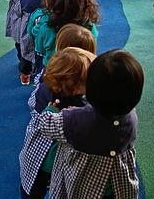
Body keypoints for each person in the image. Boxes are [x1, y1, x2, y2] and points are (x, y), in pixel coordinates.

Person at [36, 50, 144, 199]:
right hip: (117, 187)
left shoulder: (75, 119)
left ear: (90, 90)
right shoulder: (131, 117)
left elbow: (45, 125)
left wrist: (51, 110)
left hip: (83, 187)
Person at [19, 47, 96, 199]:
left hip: (37, 156)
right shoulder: (81, 108)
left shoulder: (45, 89)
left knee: (31, 188)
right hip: (54, 162)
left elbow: (32, 103)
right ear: (75, 85)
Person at [29, 0, 100, 68]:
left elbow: (39, 49)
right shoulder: (89, 27)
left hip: (54, 69)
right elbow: (91, 50)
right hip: (81, 69)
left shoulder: (46, 26)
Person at [2, 0, 36, 83]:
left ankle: (24, 65)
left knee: (19, 42)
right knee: (32, 41)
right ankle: (32, 63)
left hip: (18, 18)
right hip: (33, 17)